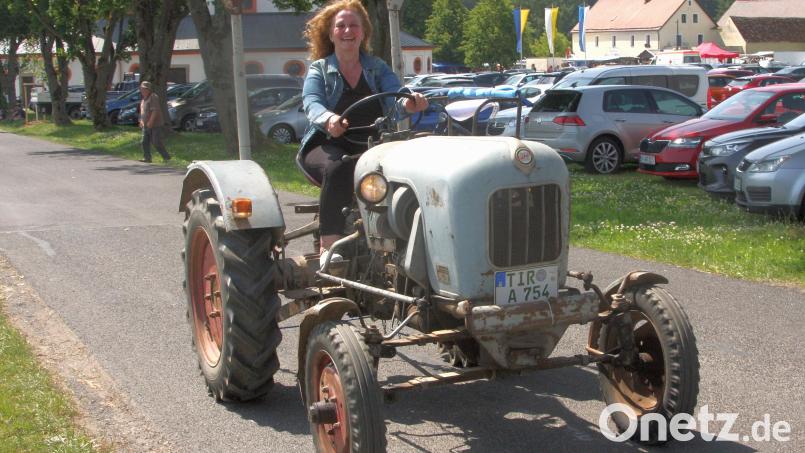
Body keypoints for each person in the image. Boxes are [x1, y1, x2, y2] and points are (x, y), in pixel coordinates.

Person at [297, 0, 428, 260]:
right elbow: (311, 102)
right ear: (331, 33)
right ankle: (328, 247)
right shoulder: (320, 69)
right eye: (341, 26)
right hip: (328, 144)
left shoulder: (376, 67)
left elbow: (396, 97)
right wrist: (328, 119)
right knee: (339, 167)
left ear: (363, 32)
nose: (348, 31)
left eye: (354, 25)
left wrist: (410, 102)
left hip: (373, 146)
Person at [138, 81, 171, 163]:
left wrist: (151, 122)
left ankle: (166, 157)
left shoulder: (153, 97)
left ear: (149, 89)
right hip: (146, 125)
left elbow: (155, 111)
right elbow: (142, 112)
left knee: (156, 142)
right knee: (144, 142)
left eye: (144, 89)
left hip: (155, 124)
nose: (142, 90)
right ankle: (147, 158)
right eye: (141, 89)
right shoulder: (143, 100)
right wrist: (141, 121)